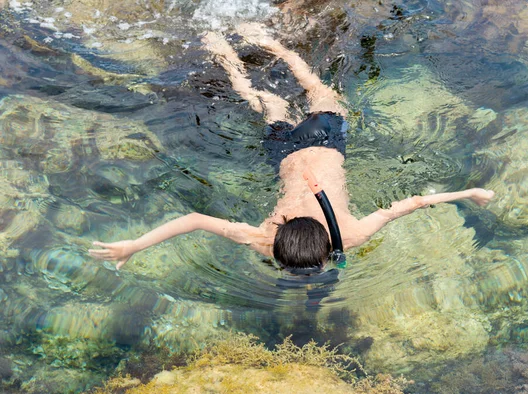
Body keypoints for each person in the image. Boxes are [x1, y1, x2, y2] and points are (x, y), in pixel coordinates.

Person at [89, 23, 495, 274]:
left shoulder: (334, 235)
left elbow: (412, 202)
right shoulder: (268, 238)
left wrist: (470, 193)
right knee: (269, 102)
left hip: (323, 142)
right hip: (284, 153)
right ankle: (229, 54)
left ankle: (265, 48)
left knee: (315, 91)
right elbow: (195, 219)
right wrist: (135, 246)